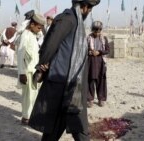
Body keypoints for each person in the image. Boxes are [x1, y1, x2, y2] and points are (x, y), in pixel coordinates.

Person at [28, 0, 100, 140]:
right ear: (83, 6)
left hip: (72, 84)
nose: (90, 11)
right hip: (62, 83)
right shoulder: (67, 19)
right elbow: (50, 45)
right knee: (76, 126)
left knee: (64, 124)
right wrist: (42, 65)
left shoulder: (76, 22)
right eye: (89, 8)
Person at [17, 13, 45, 125]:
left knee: (32, 95)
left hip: (33, 71)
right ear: (32, 24)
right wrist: (22, 73)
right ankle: (26, 117)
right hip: (27, 72)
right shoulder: (25, 35)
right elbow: (20, 54)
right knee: (27, 96)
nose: (40, 30)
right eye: (38, 27)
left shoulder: (32, 35)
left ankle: (29, 115)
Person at [86, 21, 109, 107]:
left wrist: (99, 52)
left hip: (100, 63)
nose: (97, 32)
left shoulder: (104, 38)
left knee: (101, 81)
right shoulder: (88, 38)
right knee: (90, 81)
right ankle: (90, 99)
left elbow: (107, 50)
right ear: (93, 30)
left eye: (99, 31)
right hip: (91, 63)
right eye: (95, 31)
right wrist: (90, 52)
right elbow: (84, 49)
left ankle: (101, 99)